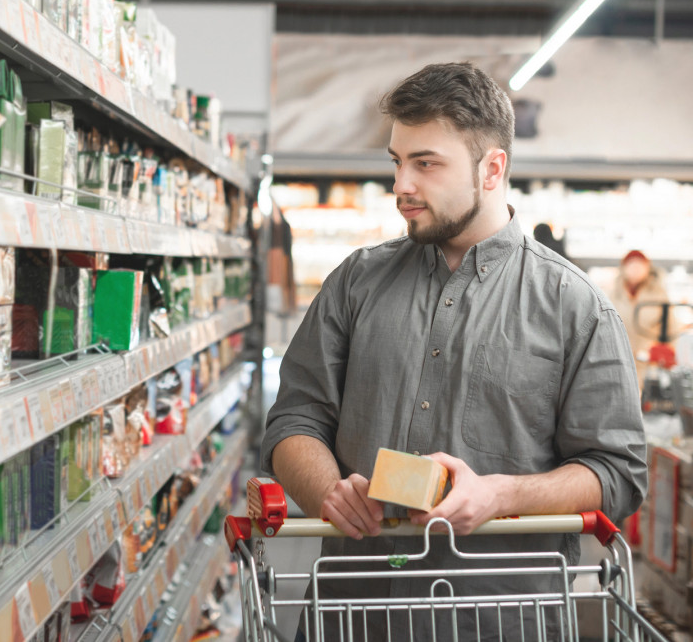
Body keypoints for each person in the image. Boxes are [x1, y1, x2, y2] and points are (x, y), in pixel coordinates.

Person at [261, 62, 647, 641]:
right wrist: (327, 491)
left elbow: (617, 473)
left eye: (426, 163)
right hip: (353, 611)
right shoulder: (355, 284)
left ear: (492, 169)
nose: (401, 187)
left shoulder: (577, 307)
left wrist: (501, 495)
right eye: (397, 161)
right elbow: (293, 421)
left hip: (502, 620)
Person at [607, 249, 670, 382]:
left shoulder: (659, 295)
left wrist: (665, 355)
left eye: (640, 264)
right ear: (623, 267)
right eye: (631, 264)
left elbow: (671, 328)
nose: (635, 269)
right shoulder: (613, 295)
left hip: (650, 366)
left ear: (648, 268)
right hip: (619, 361)